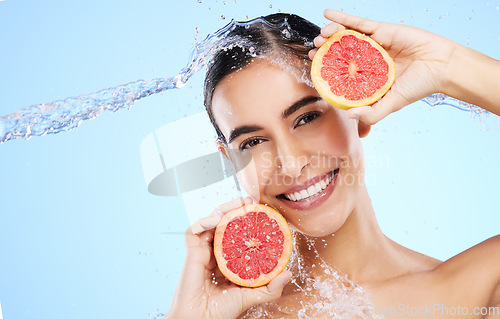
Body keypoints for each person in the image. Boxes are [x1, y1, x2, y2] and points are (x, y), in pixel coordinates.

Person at [166, 9, 500, 319]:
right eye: (252, 142)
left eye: (307, 117)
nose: (292, 164)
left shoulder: (476, 294)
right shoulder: (223, 312)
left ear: (359, 111)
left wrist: (448, 66)